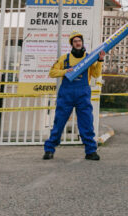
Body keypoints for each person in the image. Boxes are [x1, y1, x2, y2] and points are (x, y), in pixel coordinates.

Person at [43, 31, 104, 160]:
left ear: (82, 42)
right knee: (59, 122)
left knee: (86, 123)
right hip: (66, 94)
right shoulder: (64, 58)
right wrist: (65, 71)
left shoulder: (89, 58)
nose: (78, 43)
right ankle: (49, 149)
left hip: (83, 93)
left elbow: (96, 74)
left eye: (79, 41)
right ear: (72, 44)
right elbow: (52, 72)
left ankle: (91, 151)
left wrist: (100, 61)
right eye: (75, 41)